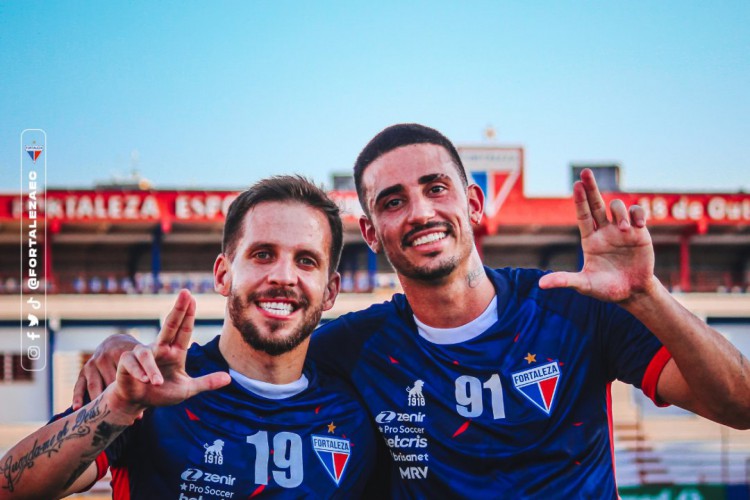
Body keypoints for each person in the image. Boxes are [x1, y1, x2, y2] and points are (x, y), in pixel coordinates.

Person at [72, 124, 750, 498]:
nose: (419, 211)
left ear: (474, 204)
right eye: (392, 201)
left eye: (435, 188)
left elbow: (741, 406)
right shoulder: (354, 347)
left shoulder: (572, 312)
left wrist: (649, 298)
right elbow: (249, 351)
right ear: (371, 233)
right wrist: (117, 345)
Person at [0, 176, 379, 499]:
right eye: (263, 255)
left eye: (306, 260)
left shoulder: (354, 416)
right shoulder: (153, 391)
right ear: (222, 275)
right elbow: (9, 485)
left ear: (330, 291)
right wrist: (117, 406)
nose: (283, 276)